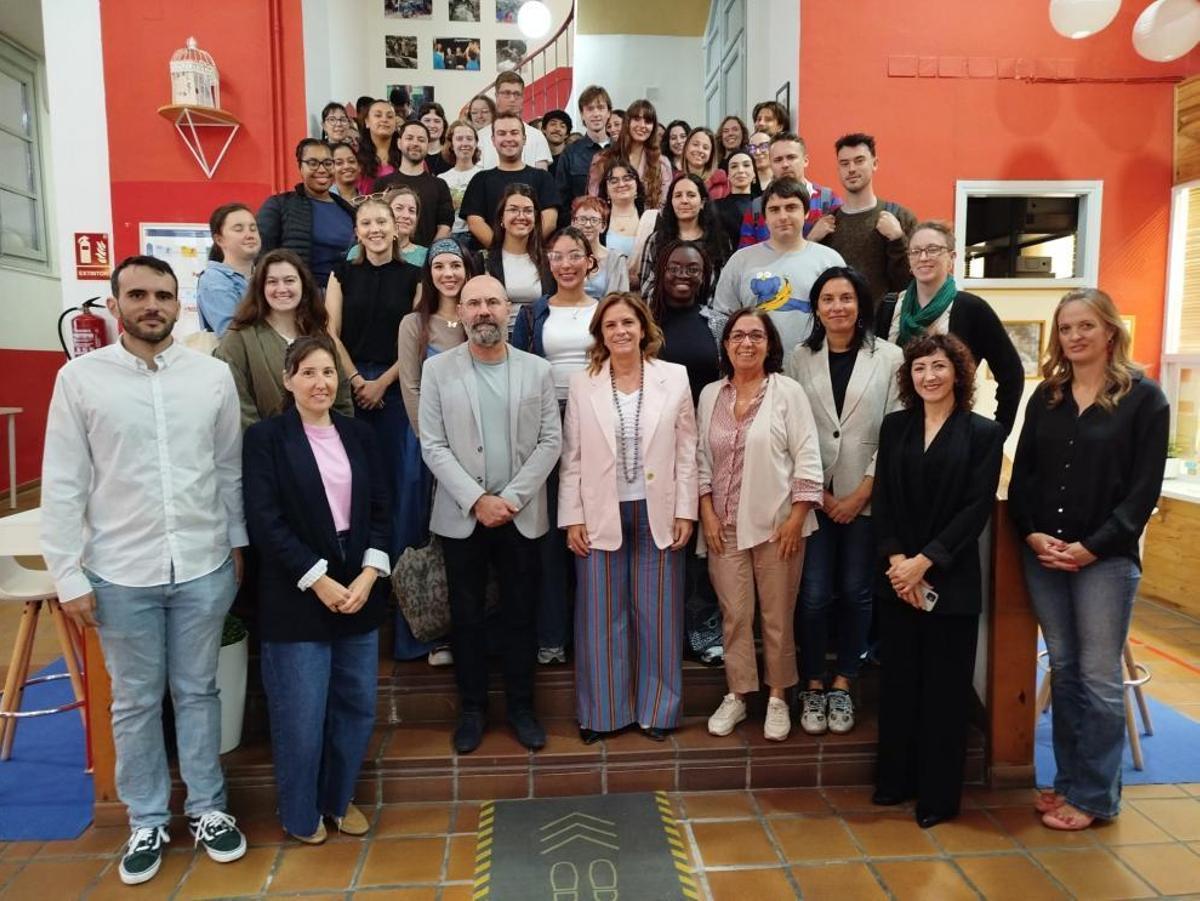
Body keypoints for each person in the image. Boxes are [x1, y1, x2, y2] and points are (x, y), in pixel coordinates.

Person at [41, 255, 248, 885]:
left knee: (198, 692)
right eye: (138, 294)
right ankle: (147, 818)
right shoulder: (80, 381)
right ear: (115, 303)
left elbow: (228, 469)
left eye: (162, 294)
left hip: (201, 563)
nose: (151, 305)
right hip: (119, 571)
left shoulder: (210, 377)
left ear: (177, 302)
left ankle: (208, 808)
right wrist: (68, 575)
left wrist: (236, 544)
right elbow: (63, 484)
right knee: (133, 703)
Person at [1009, 289, 1169, 831]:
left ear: (1109, 332)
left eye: (1085, 326)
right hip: (1045, 555)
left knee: (1099, 680)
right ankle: (1069, 782)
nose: (1074, 337)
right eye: (1066, 328)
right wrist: (1032, 534)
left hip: (1105, 560)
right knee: (1068, 672)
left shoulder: (1145, 399)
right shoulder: (1048, 397)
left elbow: (1143, 492)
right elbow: (1024, 473)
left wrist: (1093, 545)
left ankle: (1097, 796)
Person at [241, 335, 391, 845]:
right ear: (288, 380)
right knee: (301, 714)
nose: (320, 382)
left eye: (328, 372)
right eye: (307, 372)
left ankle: (338, 798)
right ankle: (300, 812)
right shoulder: (266, 439)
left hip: (359, 589)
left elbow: (381, 511)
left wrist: (369, 575)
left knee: (355, 706)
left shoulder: (360, 435)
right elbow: (265, 521)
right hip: (296, 592)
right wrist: (318, 579)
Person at [419, 274, 562, 753]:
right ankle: (473, 709)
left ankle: (521, 708)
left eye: (493, 302)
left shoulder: (536, 370)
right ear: (459, 312)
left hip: (521, 515)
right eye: (473, 303)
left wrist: (512, 498)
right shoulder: (438, 371)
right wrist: (477, 499)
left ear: (509, 311)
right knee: (466, 617)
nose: (483, 310)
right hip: (463, 516)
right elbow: (432, 445)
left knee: (522, 615)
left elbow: (550, 441)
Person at [871, 333, 1004, 828]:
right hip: (896, 577)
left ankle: (937, 797)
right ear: (909, 377)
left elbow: (975, 511)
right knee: (900, 683)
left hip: (949, 579)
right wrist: (897, 560)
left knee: (945, 692)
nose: (929, 376)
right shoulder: (895, 427)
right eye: (920, 367)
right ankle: (895, 781)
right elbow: (882, 498)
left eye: (939, 367)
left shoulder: (984, 434)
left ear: (958, 374)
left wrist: (924, 562)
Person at [559, 293, 698, 742]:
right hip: (601, 511)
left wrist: (686, 511)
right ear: (600, 334)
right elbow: (572, 456)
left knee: (658, 615)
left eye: (628, 323)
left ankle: (658, 712)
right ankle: (603, 714)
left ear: (644, 328)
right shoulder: (584, 383)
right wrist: (572, 517)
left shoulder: (674, 378)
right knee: (600, 618)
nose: (620, 331)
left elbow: (687, 453)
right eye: (611, 325)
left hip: (659, 509)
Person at [785, 266, 902, 735]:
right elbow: (792, 428)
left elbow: (896, 428)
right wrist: (819, 493)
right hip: (812, 496)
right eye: (828, 299)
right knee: (812, 596)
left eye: (846, 298)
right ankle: (812, 684)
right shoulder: (798, 357)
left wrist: (860, 493)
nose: (837, 307)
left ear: (861, 305)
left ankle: (843, 681)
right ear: (816, 308)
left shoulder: (890, 357)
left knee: (856, 592)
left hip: (865, 495)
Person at [699, 309, 823, 741]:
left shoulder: (787, 391)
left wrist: (797, 517)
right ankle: (737, 694)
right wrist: (707, 513)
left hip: (778, 527)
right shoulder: (710, 394)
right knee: (735, 615)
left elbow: (807, 456)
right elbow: (700, 459)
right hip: (723, 527)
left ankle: (776, 697)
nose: (746, 343)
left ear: (770, 344)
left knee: (776, 617)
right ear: (726, 344)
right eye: (737, 336)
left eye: (756, 335)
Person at [511, 227, 601, 665]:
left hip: (597, 420)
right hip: (545, 421)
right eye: (557, 256)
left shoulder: (606, 310)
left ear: (590, 260)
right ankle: (551, 637)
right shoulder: (533, 313)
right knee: (549, 532)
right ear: (548, 263)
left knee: (593, 527)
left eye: (574, 255)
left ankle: (592, 635)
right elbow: (514, 369)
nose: (566, 264)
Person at [325, 198, 422, 555]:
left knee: (399, 481)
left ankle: (397, 572)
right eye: (366, 224)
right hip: (351, 386)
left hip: (397, 388)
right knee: (353, 481)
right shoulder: (341, 273)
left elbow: (418, 338)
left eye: (382, 221)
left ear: (396, 228)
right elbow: (330, 332)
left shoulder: (415, 276)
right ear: (357, 232)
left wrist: (382, 383)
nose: (375, 229)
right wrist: (355, 381)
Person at [880, 221, 1024, 435]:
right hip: (895, 430)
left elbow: (1011, 374)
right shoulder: (889, 308)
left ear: (952, 258)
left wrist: (997, 433)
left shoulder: (972, 309)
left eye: (933, 250)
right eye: (916, 251)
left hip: (952, 433)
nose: (924, 257)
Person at [650, 241, 723, 663]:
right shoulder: (644, 319)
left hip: (707, 443)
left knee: (701, 540)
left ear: (704, 275)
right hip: (653, 446)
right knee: (662, 538)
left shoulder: (716, 323)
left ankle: (703, 634)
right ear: (661, 270)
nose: (683, 275)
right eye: (675, 267)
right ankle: (663, 631)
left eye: (692, 269)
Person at [215, 248, 354, 428]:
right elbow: (238, 406)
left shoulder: (319, 335)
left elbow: (342, 398)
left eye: (289, 280)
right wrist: (266, 444)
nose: (282, 289)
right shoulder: (238, 340)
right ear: (260, 288)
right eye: (272, 282)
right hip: (266, 449)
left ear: (303, 284)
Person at [710, 179, 844, 352]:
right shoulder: (740, 261)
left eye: (791, 207)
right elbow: (721, 320)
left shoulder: (830, 261)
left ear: (806, 212)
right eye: (774, 209)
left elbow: (842, 321)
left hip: (815, 368)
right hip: (754, 370)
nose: (782, 216)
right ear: (765, 217)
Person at [815, 132, 917, 302]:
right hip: (838, 322)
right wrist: (812, 243)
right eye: (844, 163)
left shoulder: (900, 217)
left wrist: (898, 240)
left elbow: (913, 283)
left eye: (859, 160)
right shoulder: (826, 226)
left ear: (875, 164)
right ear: (838, 169)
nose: (852, 169)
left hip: (888, 325)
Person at [257, 139, 356, 290]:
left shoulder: (348, 211)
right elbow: (260, 255)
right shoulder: (279, 205)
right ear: (300, 167)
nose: (322, 169)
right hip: (299, 296)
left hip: (344, 295)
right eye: (313, 163)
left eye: (328, 163)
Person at [460, 112, 560, 247]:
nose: (508, 138)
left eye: (514, 133)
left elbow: (550, 219)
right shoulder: (480, 180)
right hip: (491, 259)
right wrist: (504, 252)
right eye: (501, 133)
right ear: (493, 140)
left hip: (534, 256)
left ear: (524, 139)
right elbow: (475, 222)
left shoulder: (543, 177)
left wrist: (524, 249)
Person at [636, 174, 730, 300]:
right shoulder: (656, 240)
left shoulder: (719, 240)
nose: (684, 200)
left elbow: (724, 290)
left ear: (702, 203)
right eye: (678, 195)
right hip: (663, 316)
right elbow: (647, 290)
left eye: (691, 195)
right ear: (671, 202)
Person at [739, 133, 842, 248]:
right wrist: (811, 240)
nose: (785, 164)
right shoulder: (757, 208)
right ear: (771, 164)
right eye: (778, 160)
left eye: (791, 157)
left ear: (805, 160)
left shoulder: (828, 200)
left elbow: (842, 252)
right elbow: (747, 260)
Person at [481, 183, 555, 331]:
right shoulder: (484, 260)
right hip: (497, 340)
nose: (521, 216)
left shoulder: (550, 260)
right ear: (502, 217)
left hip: (538, 340)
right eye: (513, 210)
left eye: (528, 211)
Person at [372, 121, 455, 248]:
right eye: (409, 138)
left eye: (421, 140)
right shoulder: (382, 183)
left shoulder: (439, 185)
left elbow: (445, 225)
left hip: (425, 260)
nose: (415, 143)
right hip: (388, 256)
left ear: (427, 146)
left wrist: (429, 255)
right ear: (399, 143)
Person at [588, 99, 672, 209]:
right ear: (627, 123)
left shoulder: (662, 163)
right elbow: (594, 203)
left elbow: (663, 206)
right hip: (611, 223)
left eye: (648, 121)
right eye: (637, 119)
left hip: (650, 223)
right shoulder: (602, 159)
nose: (642, 125)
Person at [197, 202, 260, 337]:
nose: (249, 235)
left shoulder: (265, 276)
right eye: (239, 229)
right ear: (219, 239)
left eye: (253, 228)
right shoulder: (214, 279)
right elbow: (231, 336)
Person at [555, 85, 613, 223]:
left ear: (609, 112)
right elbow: (561, 199)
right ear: (582, 114)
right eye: (590, 109)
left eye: (601, 108)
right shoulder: (570, 153)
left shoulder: (621, 150)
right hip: (581, 226)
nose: (596, 114)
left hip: (615, 227)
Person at [477, 71, 552, 170]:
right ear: (496, 96)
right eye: (507, 93)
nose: (512, 99)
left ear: (522, 97)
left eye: (517, 94)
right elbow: (476, 176)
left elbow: (542, 179)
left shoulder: (537, 136)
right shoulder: (480, 137)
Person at [570, 196, 630, 299]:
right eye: (582, 219)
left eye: (594, 220)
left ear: (603, 226)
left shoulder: (616, 259)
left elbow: (623, 300)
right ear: (573, 223)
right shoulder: (563, 257)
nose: (588, 225)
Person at [438, 120, 482, 237]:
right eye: (459, 139)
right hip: (450, 238)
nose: (465, 143)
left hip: (477, 238)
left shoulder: (485, 175)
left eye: (469, 138)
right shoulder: (442, 179)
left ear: (476, 143)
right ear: (451, 144)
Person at [598, 158, 644, 262]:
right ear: (606, 190)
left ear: (637, 184)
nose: (621, 184)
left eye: (627, 178)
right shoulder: (597, 220)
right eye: (614, 181)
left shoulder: (650, 219)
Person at [355, 99, 402, 193]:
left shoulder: (406, 154)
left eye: (389, 116)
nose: (384, 120)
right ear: (367, 122)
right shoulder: (355, 156)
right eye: (378, 115)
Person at [714, 150, 755, 251]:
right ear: (728, 174)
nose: (740, 170)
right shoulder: (715, 206)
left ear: (754, 173)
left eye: (746, 165)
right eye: (734, 166)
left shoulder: (765, 203)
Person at [680, 127, 730, 201]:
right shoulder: (675, 180)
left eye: (705, 148)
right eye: (695, 144)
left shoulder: (721, 185)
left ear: (711, 154)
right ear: (686, 147)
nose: (700, 150)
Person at [385, 185, 429, 266]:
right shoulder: (361, 252)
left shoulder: (426, 256)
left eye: (412, 211)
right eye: (399, 208)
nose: (406, 215)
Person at [418, 101, 450, 175]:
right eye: (427, 120)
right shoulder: (411, 153)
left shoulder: (452, 155)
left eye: (437, 121)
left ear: (444, 125)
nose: (432, 125)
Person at [541, 109, 573, 176]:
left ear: (567, 134)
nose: (557, 129)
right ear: (543, 129)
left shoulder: (573, 159)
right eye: (553, 124)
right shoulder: (538, 157)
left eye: (562, 126)